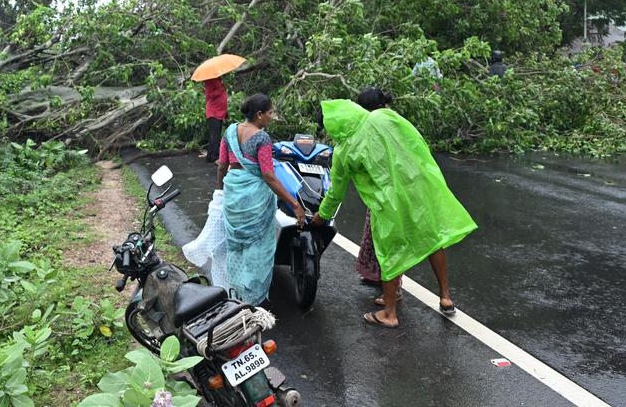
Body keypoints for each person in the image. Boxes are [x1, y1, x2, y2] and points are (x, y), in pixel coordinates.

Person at [313, 88, 477, 329]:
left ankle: (389, 313)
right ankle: (446, 297)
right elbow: (416, 140)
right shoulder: (383, 117)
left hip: (387, 203)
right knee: (433, 240)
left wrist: (322, 216)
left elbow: (336, 192)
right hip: (416, 189)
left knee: (389, 254)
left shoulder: (343, 150)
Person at [220, 94, 304, 304]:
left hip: (233, 192)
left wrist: (220, 190)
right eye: (270, 113)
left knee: (237, 245)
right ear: (259, 115)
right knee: (256, 247)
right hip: (254, 196)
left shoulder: (230, 132)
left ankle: (236, 292)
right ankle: (252, 297)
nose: (271, 116)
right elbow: (268, 175)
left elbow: (222, 165)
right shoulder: (262, 138)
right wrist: (295, 204)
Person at [200, 77, 228, 161]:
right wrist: (221, 89)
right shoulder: (209, 80)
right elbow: (209, 95)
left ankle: (211, 155)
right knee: (215, 136)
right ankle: (214, 156)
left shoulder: (218, 79)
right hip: (213, 112)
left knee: (215, 135)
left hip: (219, 112)